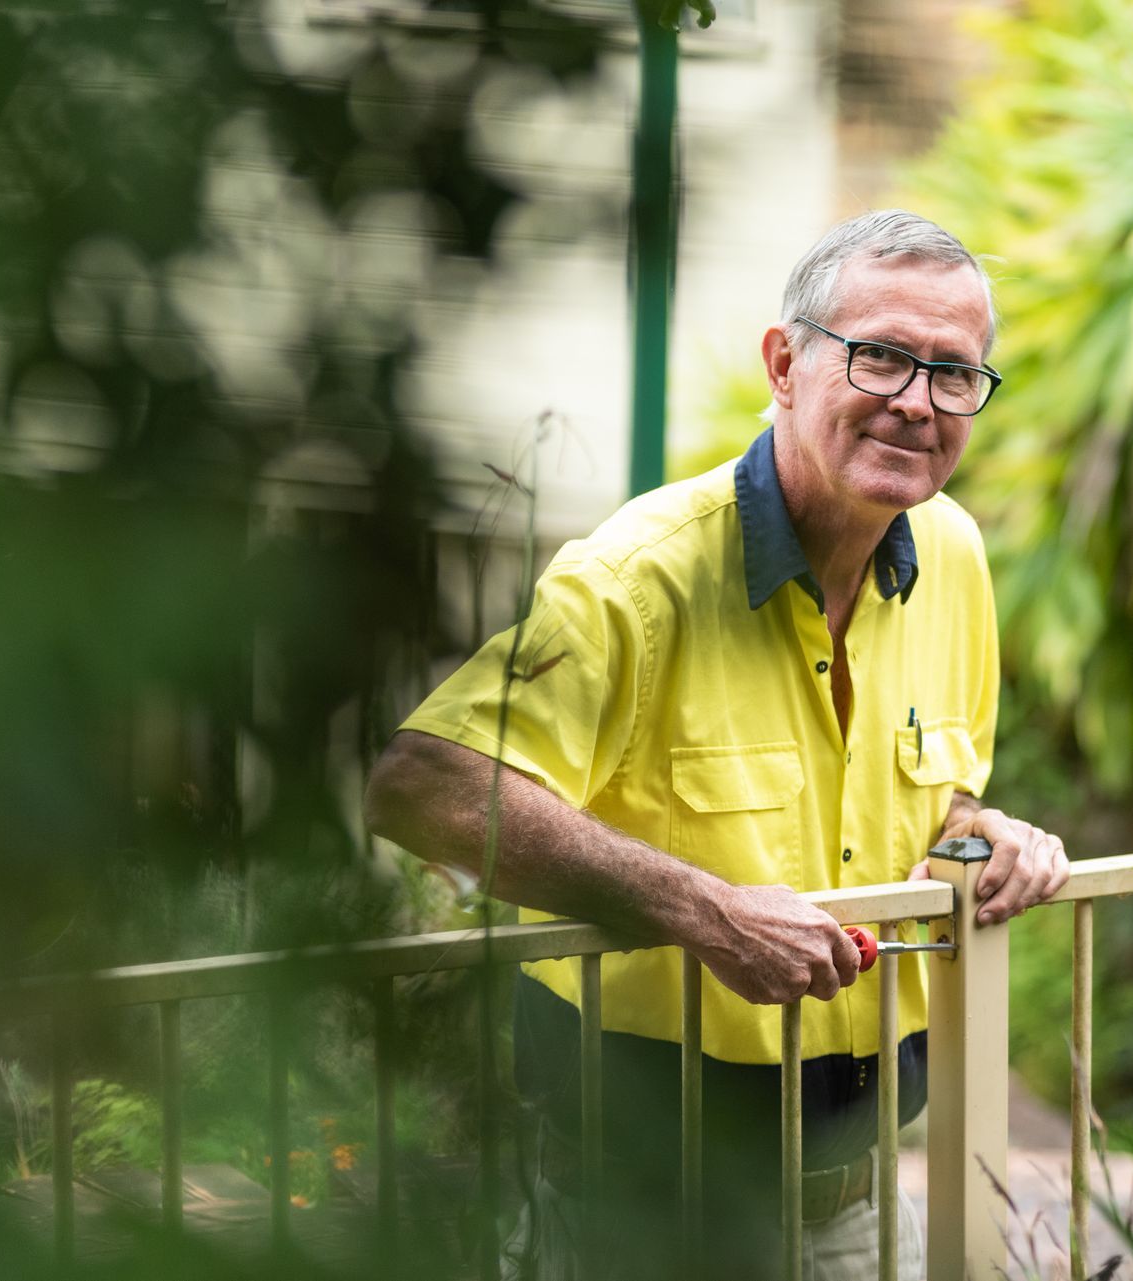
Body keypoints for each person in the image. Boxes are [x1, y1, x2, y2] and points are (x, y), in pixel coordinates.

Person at [363, 209, 1070, 1280]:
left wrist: (988, 843)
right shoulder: (640, 577)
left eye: (954, 373)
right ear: (785, 365)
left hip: (858, 1204)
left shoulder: (955, 556)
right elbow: (424, 787)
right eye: (880, 358)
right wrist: (705, 913)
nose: (917, 403)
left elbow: (940, 808)